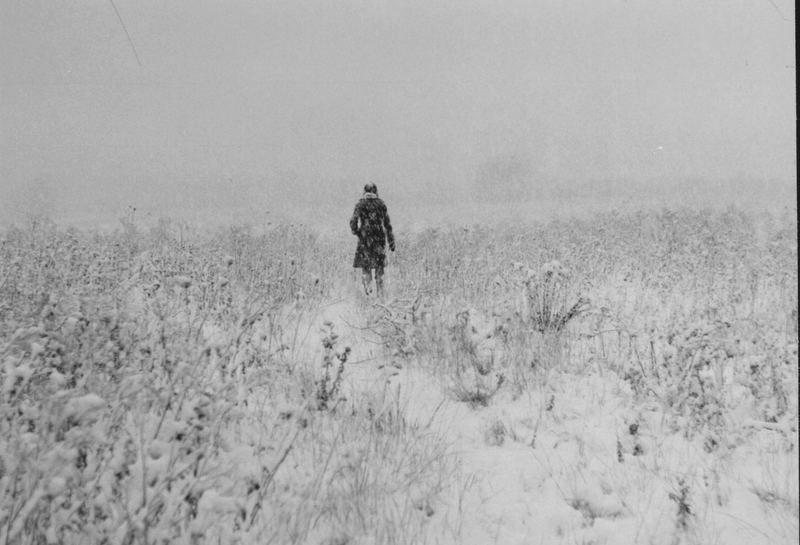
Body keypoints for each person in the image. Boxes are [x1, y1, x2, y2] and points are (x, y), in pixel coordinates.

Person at [350, 183, 395, 296]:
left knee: (366, 266)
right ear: (376, 191)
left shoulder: (360, 204)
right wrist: (391, 241)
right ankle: (380, 293)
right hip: (379, 238)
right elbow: (387, 224)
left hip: (365, 239)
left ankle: (368, 291)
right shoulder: (380, 204)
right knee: (379, 268)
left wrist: (358, 232)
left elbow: (353, 221)